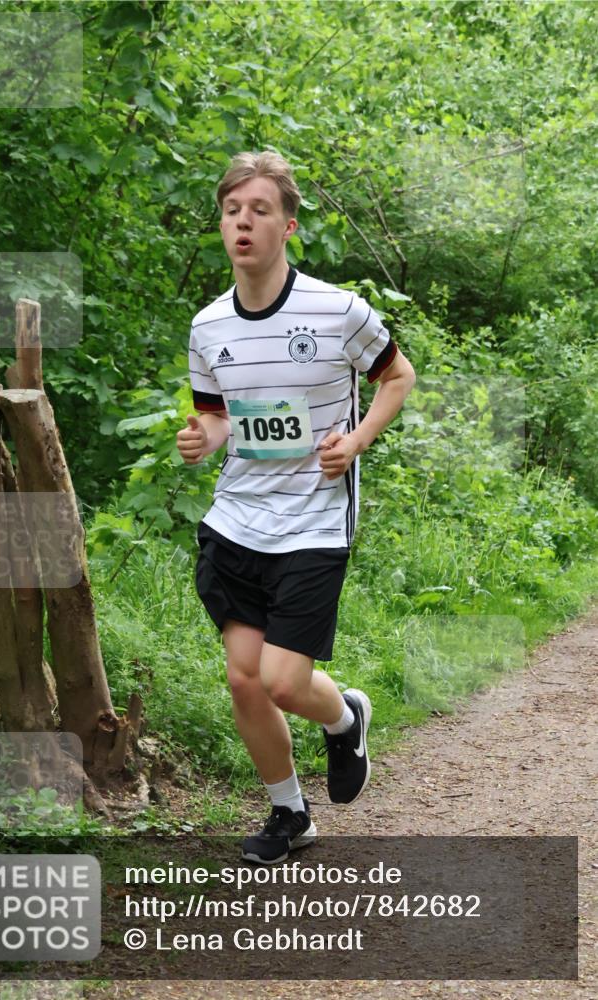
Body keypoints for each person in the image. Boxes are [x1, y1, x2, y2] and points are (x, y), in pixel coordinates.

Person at [176, 150, 416, 864]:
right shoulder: (208, 325)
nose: (242, 223)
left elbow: (397, 376)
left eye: (257, 210)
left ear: (288, 224)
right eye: (230, 211)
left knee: (284, 680)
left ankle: (345, 720)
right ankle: (289, 815)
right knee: (243, 677)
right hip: (237, 516)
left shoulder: (338, 310)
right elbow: (218, 417)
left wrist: (359, 440)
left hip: (313, 517)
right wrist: (201, 437)